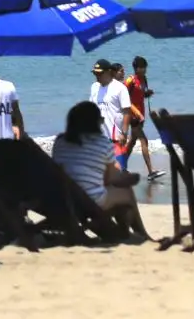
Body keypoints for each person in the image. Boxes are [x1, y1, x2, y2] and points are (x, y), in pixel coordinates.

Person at [50, 100, 148, 241]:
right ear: (94, 123)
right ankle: (140, 234)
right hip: (90, 200)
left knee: (114, 189)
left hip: (64, 199)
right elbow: (111, 179)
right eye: (100, 119)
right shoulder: (102, 143)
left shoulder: (60, 141)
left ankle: (120, 232)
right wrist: (129, 179)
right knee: (126, 192)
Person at [89, 58, 135, 168]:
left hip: (116, 139)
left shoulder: (120, 88)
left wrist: (124, 133)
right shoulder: (94, 87)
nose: (97, 76)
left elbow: (127, 111)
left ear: (108, 72)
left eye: (99, 73)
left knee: (119, 173)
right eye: (95, 73)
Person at [127, 56, 160, 179]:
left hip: (141, 115)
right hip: (133, 115)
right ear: (136, 68)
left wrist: (147, 94)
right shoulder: (130, 81)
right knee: (144, 140)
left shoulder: (144, 79)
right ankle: (151, 171)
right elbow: (124, 99)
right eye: (142, 67)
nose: (145, 70)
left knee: (132, 142)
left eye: (145, 67)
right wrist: (135, 113)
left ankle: (120, 166)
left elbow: (141, 95)